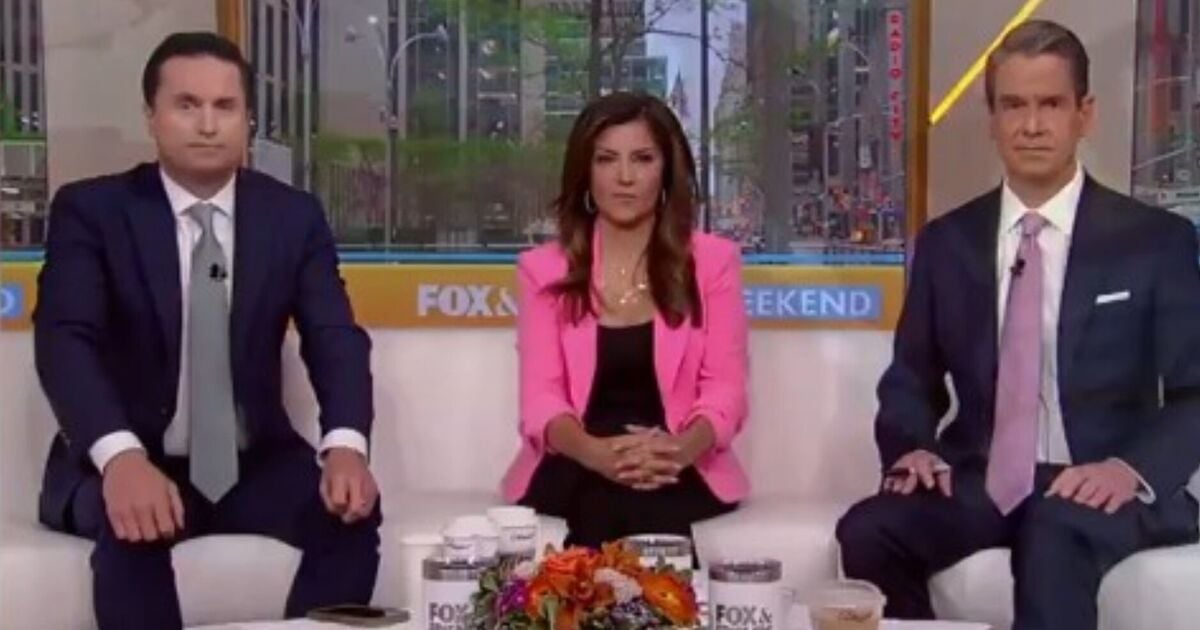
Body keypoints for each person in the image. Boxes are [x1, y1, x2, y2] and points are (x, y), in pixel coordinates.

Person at [835, 20, 1200, 630]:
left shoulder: (1154, 242)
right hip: (984, 478)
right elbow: (911, 378)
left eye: (1051, 104)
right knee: (868, 529)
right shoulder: (948, 243)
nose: (1032, 125)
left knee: (1051, 532)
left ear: (1085, 113)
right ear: (992, 118)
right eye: (1014, 105)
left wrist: (1129, 470)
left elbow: (1195, 392)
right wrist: (912, 448)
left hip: (1103, 480)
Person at [34, 32, 381, 630]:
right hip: (131, 455)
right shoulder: (93, 211)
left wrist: (346, 445)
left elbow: (334, 336)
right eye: (186, 104)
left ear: (248, 120)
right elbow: (64, 340)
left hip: (255, 463)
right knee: (133, 526)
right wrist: (120, 458)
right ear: (152, 116)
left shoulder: (292, 216)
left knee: (352, 514)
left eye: (225, 106)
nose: (207, 124)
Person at [500, 92, 749, 548]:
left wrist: (678, 451)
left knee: (641, 498)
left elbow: (725, 390)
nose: (625, 177)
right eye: (607, 160)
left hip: (680, 461)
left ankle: (602, 593)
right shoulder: (543, 270)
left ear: (666, 170)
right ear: (585, 172)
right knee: (606, 498)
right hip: (577, 459)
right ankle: (650, 593)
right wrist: (597, 454)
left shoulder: (713, 263)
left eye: (643, 159)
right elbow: (541, 399)